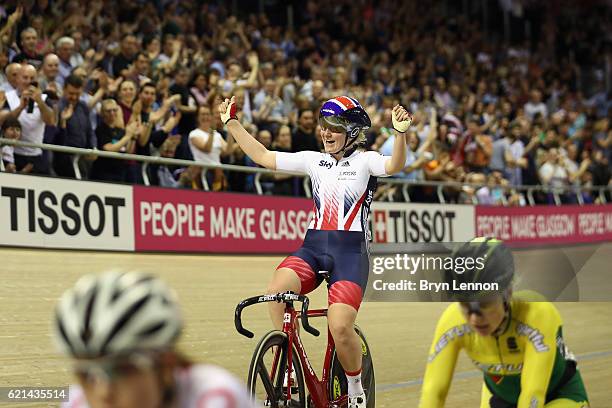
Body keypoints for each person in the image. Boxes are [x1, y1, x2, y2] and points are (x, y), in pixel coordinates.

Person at [219, 94, 412, 408]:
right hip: (313, 248)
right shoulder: (314, 160)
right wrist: (232, 124)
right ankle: (287, 361)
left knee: (339, 326)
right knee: (276, 292)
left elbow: (395, 164)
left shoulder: (366, 161)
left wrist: (400, 134)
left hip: (350, 256)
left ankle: (355, 389)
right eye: (323, 126)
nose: (325, 133)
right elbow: (266, 157)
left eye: (333, 127)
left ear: (351, 132)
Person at [419, 237, 589, 408]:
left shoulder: (537, 313)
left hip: (558, 393)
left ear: (508, 292)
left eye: (484, 303)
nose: (474, 318)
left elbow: (533, 394)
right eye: (464, 304)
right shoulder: (452, 322)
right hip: (501, 397)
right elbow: (433, 391)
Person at [53, 270, 254, 408]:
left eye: (123, 370)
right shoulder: (77, 401)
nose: (104, 393)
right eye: (86, 374)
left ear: (166, 366)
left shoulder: (216, 396)